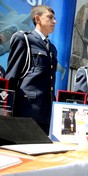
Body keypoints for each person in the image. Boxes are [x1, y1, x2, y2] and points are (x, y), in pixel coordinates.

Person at [5, 5, 57, 134]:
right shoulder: (24, 39)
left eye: (54, 18)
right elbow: (12, 76)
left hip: (46, 112)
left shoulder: (52, 48)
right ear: (38, 19)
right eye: (50, 18)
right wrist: (6, 109)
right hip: (26, 110)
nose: (54, 21)